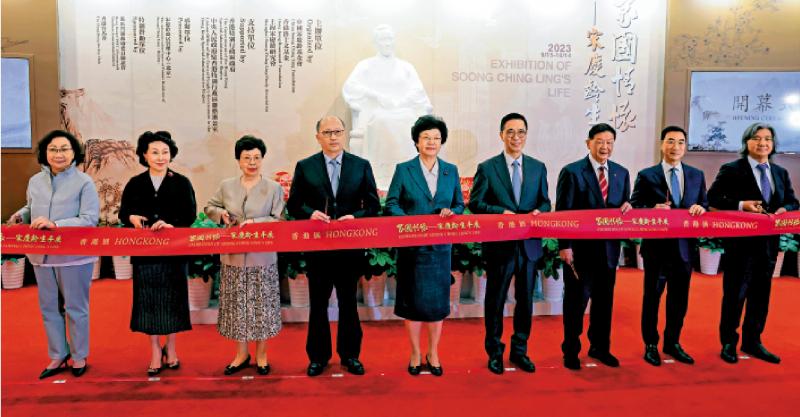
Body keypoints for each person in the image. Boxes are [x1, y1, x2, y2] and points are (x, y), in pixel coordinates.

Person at [287, 116, 380, 376]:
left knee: (349, 303)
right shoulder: (305, 166)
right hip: (318, 249)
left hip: (349, 249)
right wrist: (310, 213)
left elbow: (373, 206)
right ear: (318, 136)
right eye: (327, 132)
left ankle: (350, 355)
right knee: (318, 304)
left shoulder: (360, 166)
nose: (333, 137)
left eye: (337, 131)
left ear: (344, 134)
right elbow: (294, 204)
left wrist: (356, 217)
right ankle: (318, 357)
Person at [8, 130, 99, 379]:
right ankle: (58, 354)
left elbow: (89, 219)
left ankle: (79, 355)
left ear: (74, 153)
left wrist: (56, 225)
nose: (58, 154)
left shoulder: (84, 182)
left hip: (73, 257)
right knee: (48, 308)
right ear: (45, 153)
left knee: (75, 308)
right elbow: (31, 207)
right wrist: (20, 216)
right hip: (41, 255)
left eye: (64, 149)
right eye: (53, 149)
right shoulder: (35, 181)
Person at [707, 122, 799, 365]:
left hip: (768, 247)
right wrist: (741, 205)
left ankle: (753, 341)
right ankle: (728, 342)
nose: (762, 143)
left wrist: (785, 208)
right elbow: (713, 199)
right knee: (735, 295)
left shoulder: (779, 173)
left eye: (767, 139)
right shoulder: (731, 169)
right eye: (757, 138)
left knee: (760, 296)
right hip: (740, 247)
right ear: (746, 142)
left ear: (773, 144)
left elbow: (793, 201)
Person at [468, 113, 551, 375]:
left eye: (521, 132)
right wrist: (499, 212)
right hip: (500, 246)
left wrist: (540, 211)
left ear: (526, 135)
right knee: (495, 301)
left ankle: (520, 351)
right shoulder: (487, 168)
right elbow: (476, 203)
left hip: (528, 246)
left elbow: (545, 201)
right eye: (510, 132)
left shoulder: (538, 167)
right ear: (501, 135)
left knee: (525, 300)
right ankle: (494, 352)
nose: (516, 137)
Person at [384, 115, 465, 376]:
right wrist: (410, 224)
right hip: (412, 250)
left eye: (436, 138)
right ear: (416, 141)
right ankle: (415, 353)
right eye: (426, 137)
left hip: (440, 251)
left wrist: (452, 212)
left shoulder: (450, 170)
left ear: (442, 142)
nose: (431, 142)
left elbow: (459, 204)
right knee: (412, 305)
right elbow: (391, 203)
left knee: (436, 307)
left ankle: (434, 352)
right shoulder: (404, 169)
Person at [118, 131, 197, 376]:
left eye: (165, 152)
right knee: (148, 303)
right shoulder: (135, 183)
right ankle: (154, 349)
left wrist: (172, 224)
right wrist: (131, 217)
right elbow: (123, 213)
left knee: (173, 301)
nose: (161, 157)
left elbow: (190, 214)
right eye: (155, 152)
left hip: (174, 253)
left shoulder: (181, 182)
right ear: (144, 155)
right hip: (145, 254)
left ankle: (171, 348)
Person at [204, 135, 284, 376]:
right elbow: (209, 207)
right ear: (238, 160)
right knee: (237, 308)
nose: (252, 162)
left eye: (257, 157)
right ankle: (241, 354)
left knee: (262, 308)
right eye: (247, 158)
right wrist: (221, 215)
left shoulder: (273, 188)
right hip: (233, 257)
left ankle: (262, 354)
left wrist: (255, 223)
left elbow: (279, 219)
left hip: (263, 258)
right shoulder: (226, 185)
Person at [630, 126, 708, 366]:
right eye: (671, 141)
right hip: (657, 250)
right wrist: (651, 209)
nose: (676, 147)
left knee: (679, 299)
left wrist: (701, 208)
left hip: (684, 250)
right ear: (662, 144)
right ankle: (651, 344)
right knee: (652, 299)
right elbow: (634, 206)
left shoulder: (696, 175)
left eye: (681, 142)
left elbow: (704, 203)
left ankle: (673, 342)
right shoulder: (647, 175)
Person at [556, 123, 631, 370]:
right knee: (576, 304)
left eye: (609, 142)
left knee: (604, 304)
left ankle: (600, 347)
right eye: (600, 141)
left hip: (609, 252)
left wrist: (628, 207)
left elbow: (624, 207)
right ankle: (571, 350)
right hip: (580, 252)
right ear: (588, 143)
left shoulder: (621, 173)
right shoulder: (572, 172)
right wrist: (565, 246)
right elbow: (563, 213)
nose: (605, 147)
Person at [342, 24, 433, 189]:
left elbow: (418, 91)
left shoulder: (406, 67)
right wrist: (376, 96)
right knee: (382, 120)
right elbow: (351, 87)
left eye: (390, 39)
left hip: (404, 110)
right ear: (376, 42)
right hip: (377, 113)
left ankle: (410, 176)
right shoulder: (365, 65)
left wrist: (402, 101)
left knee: (410, 122)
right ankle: (381, 176)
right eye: (383, 39)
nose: (387, 43)